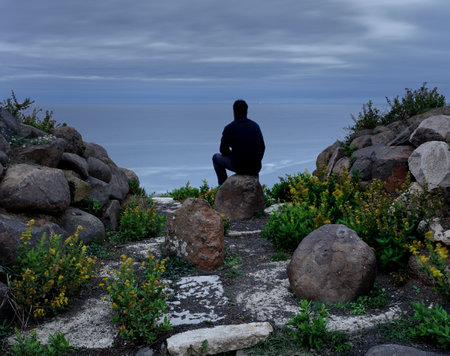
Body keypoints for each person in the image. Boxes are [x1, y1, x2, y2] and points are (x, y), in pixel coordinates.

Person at [212, 99, 265, 185]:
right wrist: (255, 160)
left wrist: (234, 155)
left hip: (239, 166)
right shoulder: (255, 126)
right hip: (255, 167)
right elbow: (262, 147)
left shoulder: (229, 128)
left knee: (215, 158)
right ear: (246, 112)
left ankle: (223, 186)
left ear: (234, 112)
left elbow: (223, 150)